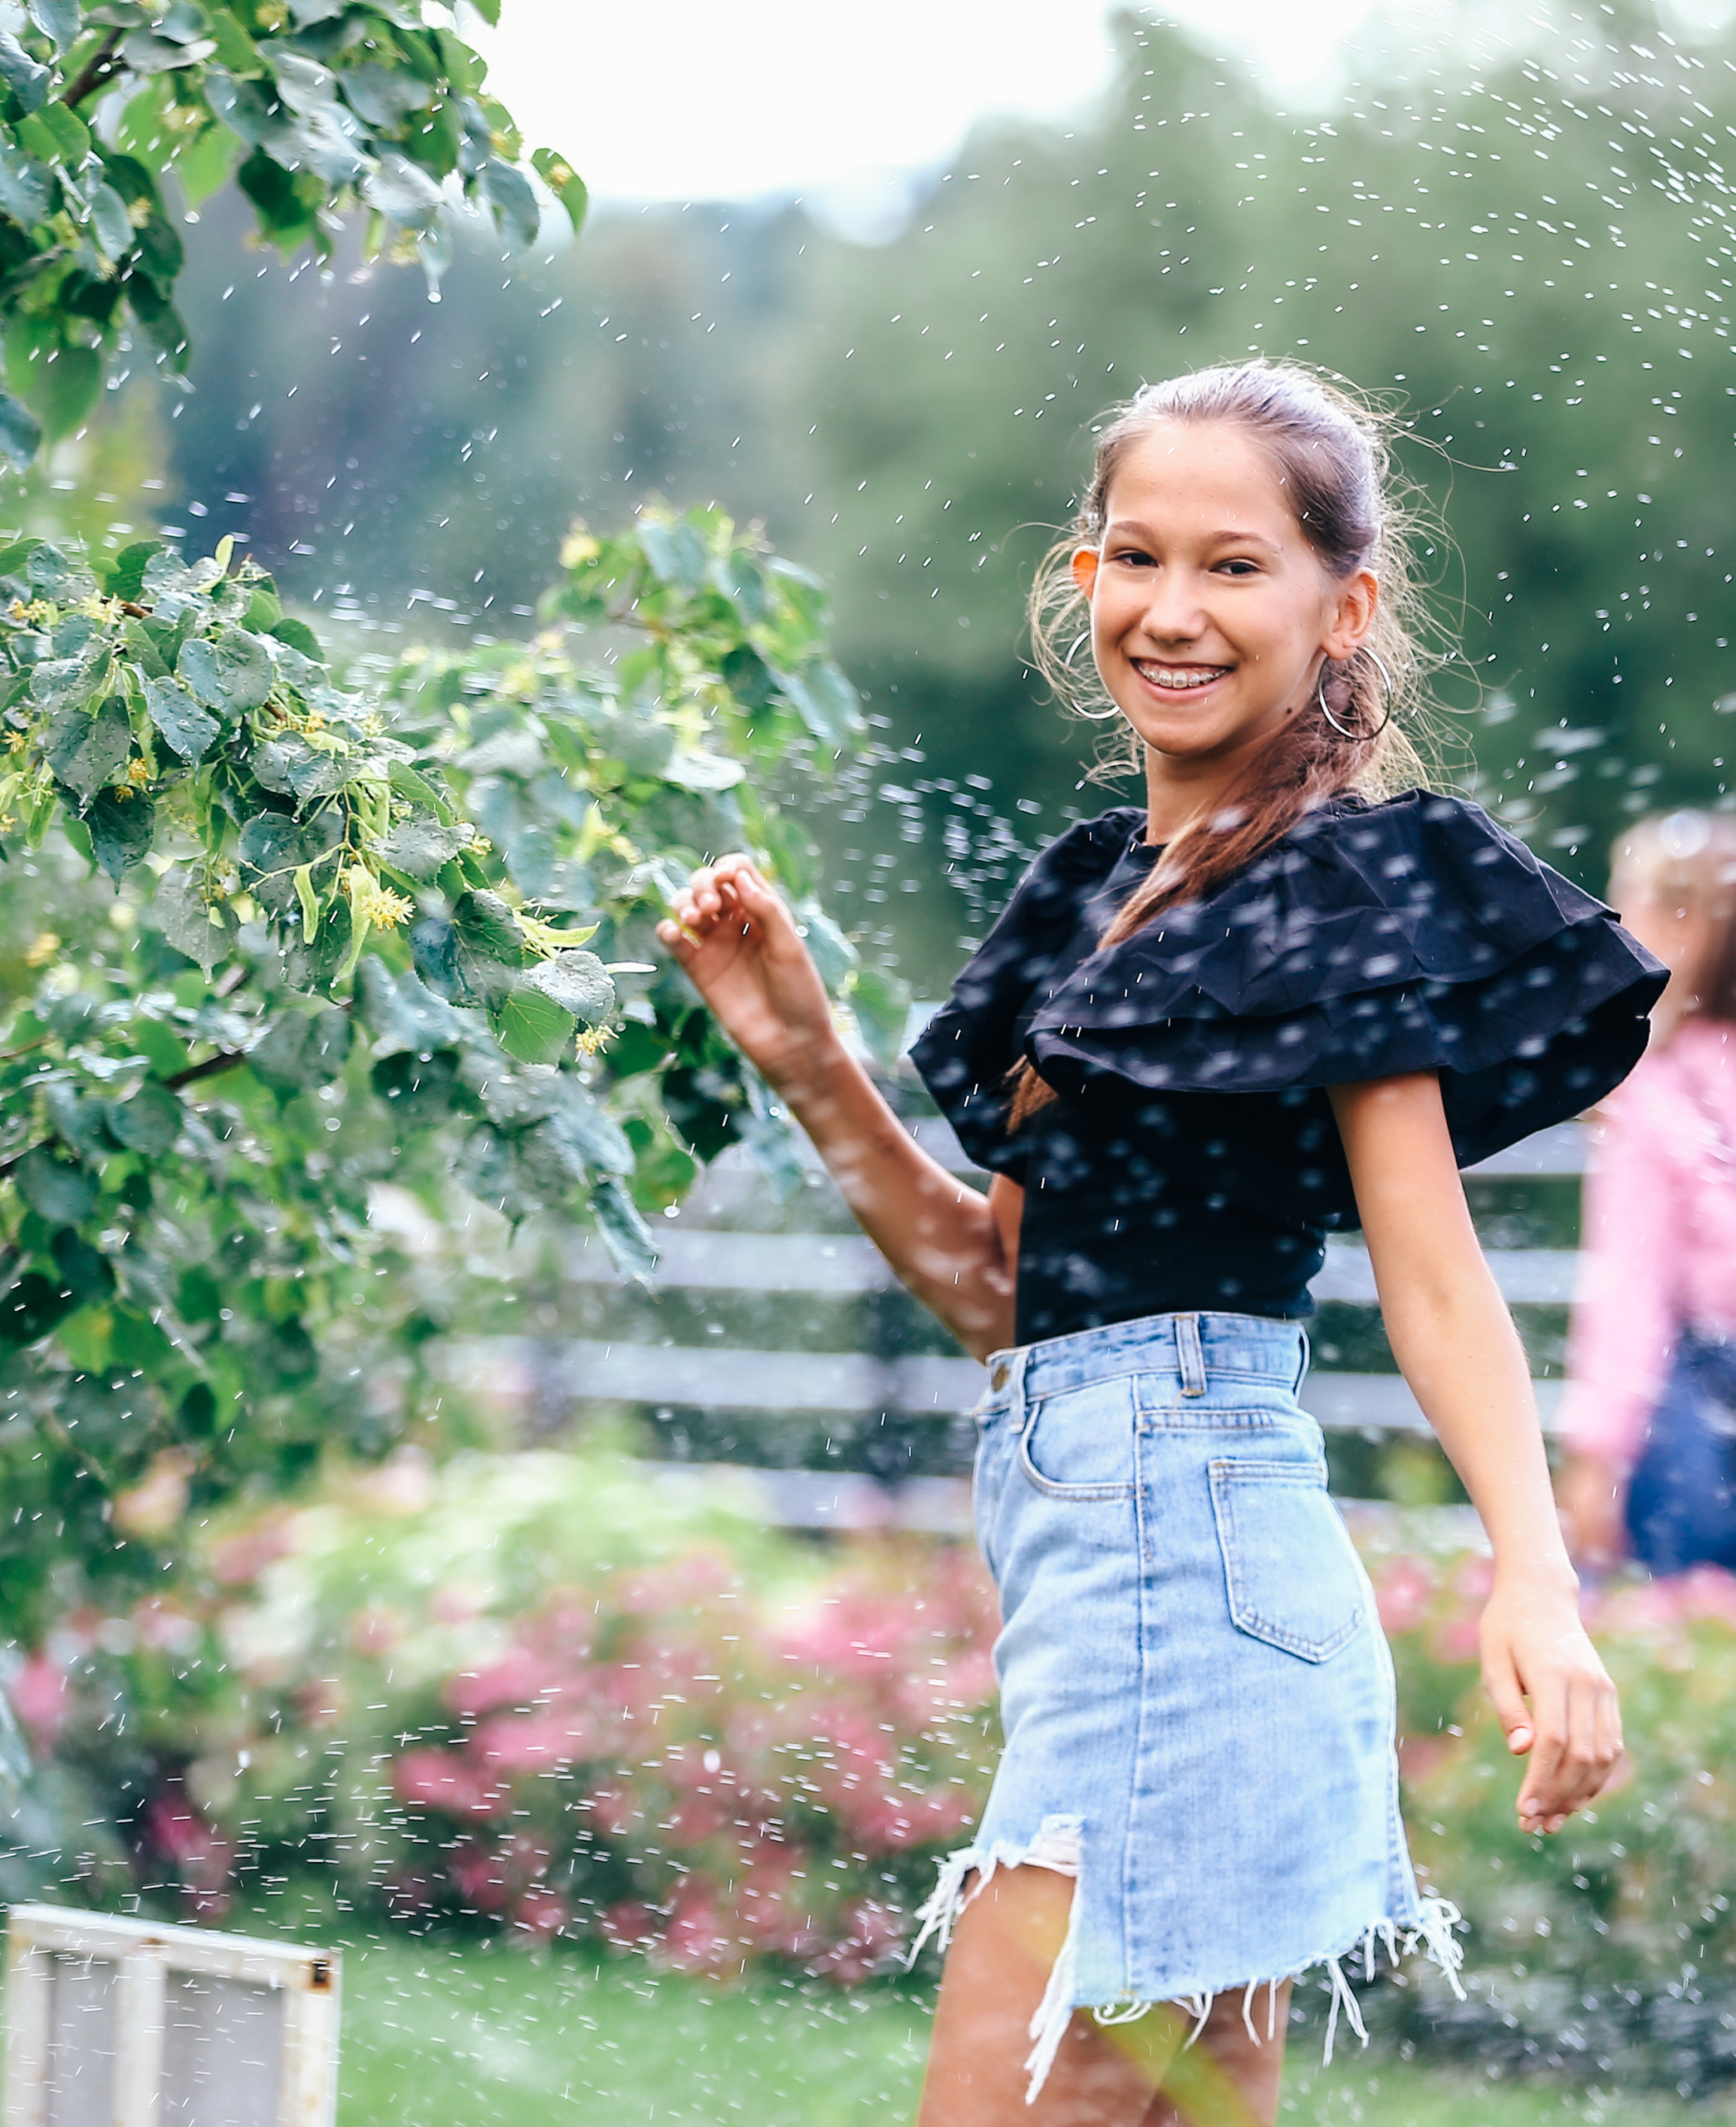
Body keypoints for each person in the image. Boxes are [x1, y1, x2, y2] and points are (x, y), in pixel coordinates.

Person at [656, 361, 1664, 2127]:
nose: (1172, 610)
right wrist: (806, 1056)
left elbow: (1428, 1268)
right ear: (1080, 577)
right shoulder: (1092, 892)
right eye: (1136, 557)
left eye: (1232, 565)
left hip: (1185, 1579)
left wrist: (1531, 1569)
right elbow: (1002, 1293)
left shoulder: (1338, 890)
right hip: (1130, 1574)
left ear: (1338, 606)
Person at [1559, 810, 1736, 1575]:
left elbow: (1630, 1295)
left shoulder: (1656, 1094)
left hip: (1703, 1404)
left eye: (1631, 910)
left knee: (1693, 1645)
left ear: (1691, 926)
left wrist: (1595, 1456)